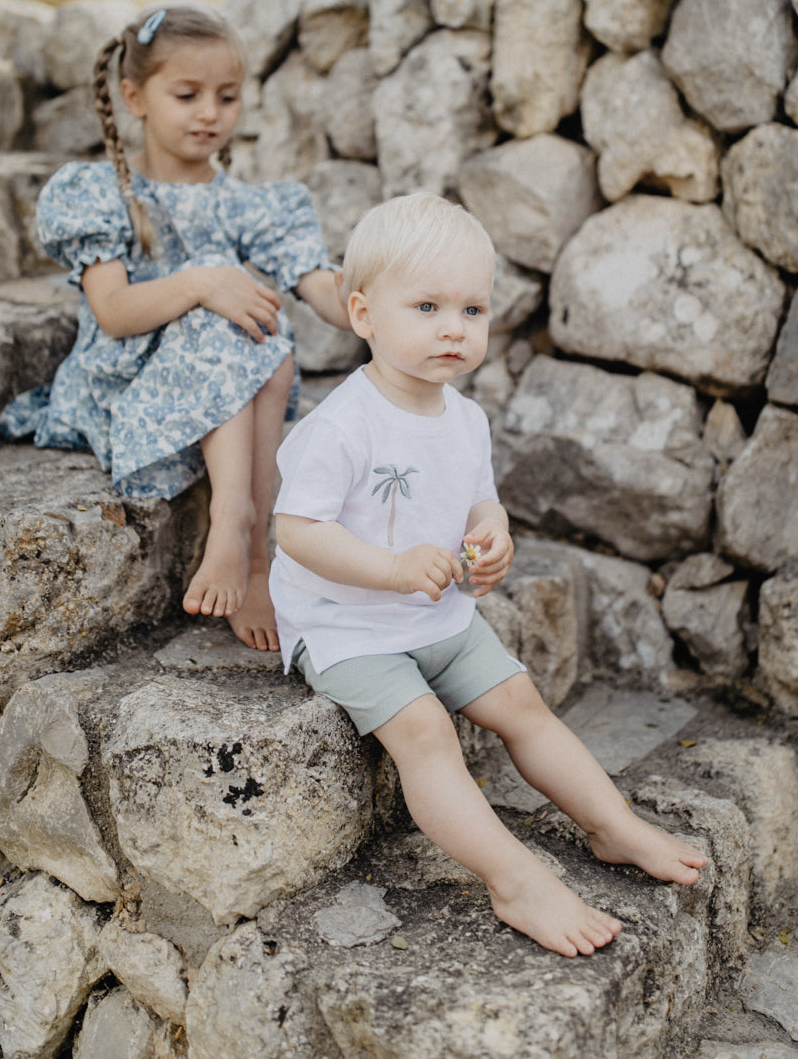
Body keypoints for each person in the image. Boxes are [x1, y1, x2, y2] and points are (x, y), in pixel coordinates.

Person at [270, 192, 708, 958]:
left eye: (472, 310)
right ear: (363, 313)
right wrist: (393, 567)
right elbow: (297, 531)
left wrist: (491, 537)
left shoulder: (464, 419)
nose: (453, 327)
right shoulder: (341, 425)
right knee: (428, 734)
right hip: (347, 625)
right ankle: (514, 878)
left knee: (523, 706)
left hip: (435, 614)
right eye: (429, 306)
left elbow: (480, 503)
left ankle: (611, 825)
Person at [1, 1, 350, 650]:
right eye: (187, 94)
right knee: (228, 288)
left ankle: (248, 552)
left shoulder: (247, 202)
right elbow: (115, 312)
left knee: (265, 333)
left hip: (221, 394)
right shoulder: (102, 192)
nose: (210, 113)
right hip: (126, 389)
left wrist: (378, 298)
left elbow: (319, 285)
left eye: (227, 96)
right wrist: (199, 281)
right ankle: (240, 525)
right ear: (134, 96)